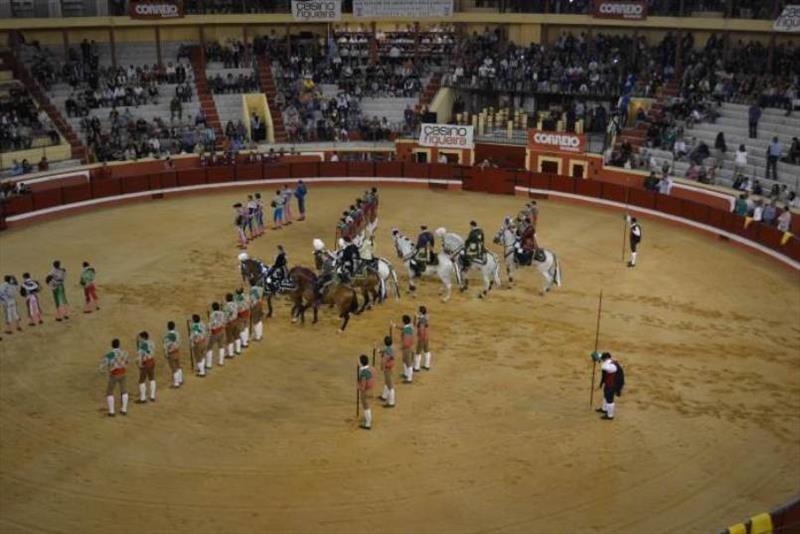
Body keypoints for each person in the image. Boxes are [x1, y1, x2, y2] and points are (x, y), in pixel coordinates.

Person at [99, 339, 129, 417]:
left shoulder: (110, 354)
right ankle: (124, 409)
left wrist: (102, 370)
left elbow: (103, 364)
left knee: (109, 392)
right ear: (119, 345)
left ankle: (111, 411)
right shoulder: (124, 353)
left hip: (114, 374)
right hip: (123, 373)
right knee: (124, 391)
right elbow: (127, 361)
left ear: (112, 345)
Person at [594, 352, 624, 421]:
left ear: (606, 358)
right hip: (609, 383)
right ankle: (604, 409)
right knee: (605, 395)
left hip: (612, 384)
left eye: (603, 359)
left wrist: (598, 359)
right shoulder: (611, 361)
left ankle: (610, 416)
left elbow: (604, 367)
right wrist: (598, 357)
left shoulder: (609, 366)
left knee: (610, 399)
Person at [135, 331, 157, 403]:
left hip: (145, 363)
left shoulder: (142, 345)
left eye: (140, 337)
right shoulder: (152, 342)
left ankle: (143, 398)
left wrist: (140, 364)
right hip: (152, 361)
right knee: (152, 379)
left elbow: (140, 355)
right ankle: (152, 396)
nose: (140, 339)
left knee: (141, 381)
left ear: (143, 337)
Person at [394, 314, 415, 383]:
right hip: (408, 347)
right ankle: (406, 374)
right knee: (405, 361)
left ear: (404, 321)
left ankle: (409, 379)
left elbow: (406, 340)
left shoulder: (406, 331)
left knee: (408, 362)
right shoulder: (409, 327)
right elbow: (404, 328)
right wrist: (395, 326)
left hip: (407, 347)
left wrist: (402, 347)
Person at [357, 354, 376, 430]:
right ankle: (367, 420)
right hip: (371, 389)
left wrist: (359, 387)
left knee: (366, 407)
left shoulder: (364, 373)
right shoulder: (371, 368)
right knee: (367, 406)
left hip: (366, 391)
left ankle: (367, 424)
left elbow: (363, 385)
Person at [163, 321, 183, 389]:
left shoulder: (166, 336)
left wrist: (166, 353)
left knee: (174, 368)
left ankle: (176, 383)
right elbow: (180, 342)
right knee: (178, 365)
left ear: (168, 327)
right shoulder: (177, 333)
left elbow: (165, 345)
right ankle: (180, 380)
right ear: (174, 327)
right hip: (177, 351)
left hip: (171, 353)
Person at [207, 302, 226, 368]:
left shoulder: (212, 315)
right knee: (221, 346)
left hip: (214, 333)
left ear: (213, 308)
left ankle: (209, 364)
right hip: (222, 331)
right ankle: (221, 362)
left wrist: (208, 329)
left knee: (209, 347)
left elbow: (210, 325)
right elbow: (224, 321)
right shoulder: (222, 313)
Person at [379, 335, 396, 408]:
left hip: (388, 369)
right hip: (390, 368)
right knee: (387, 383)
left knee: (390, 386)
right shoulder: (391, 348)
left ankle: (391, 403)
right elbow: (386, 350)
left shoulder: (387, 352)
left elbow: (384, 359)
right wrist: (380, 351)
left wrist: (382, 367)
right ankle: (384, 396)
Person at [415, 305, 432, 372]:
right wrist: (418, 317)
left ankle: (416, 367)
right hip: (426, 336)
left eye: (419, 311)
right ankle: (427, 365)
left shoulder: (422, 321)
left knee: (418, 352)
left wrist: (421, 338)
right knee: (426, 351)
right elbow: (424, 318)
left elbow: (421, 328)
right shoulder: (426, 316)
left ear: (421, 312)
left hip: (422, 337)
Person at [224, 292, 241, 357]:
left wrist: (225, 323)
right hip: (236, 321)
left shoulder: (226, 306)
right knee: (237, 336)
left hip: (230, 323)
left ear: (227, 299)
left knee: (229, 338)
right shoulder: (235, 304)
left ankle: (230, 354)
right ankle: (238, 350)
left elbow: (226, 316)